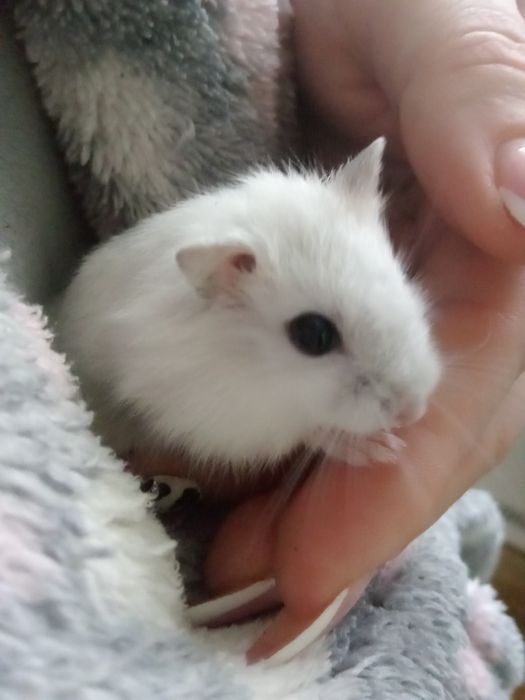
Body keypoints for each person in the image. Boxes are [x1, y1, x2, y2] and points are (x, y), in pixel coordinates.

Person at [143, 0, 525, 663]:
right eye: (317, 337)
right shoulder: (198, 312)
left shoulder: (332, 214)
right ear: (224, 278)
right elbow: (187, 425)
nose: (410, 400)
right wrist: (316, 429)